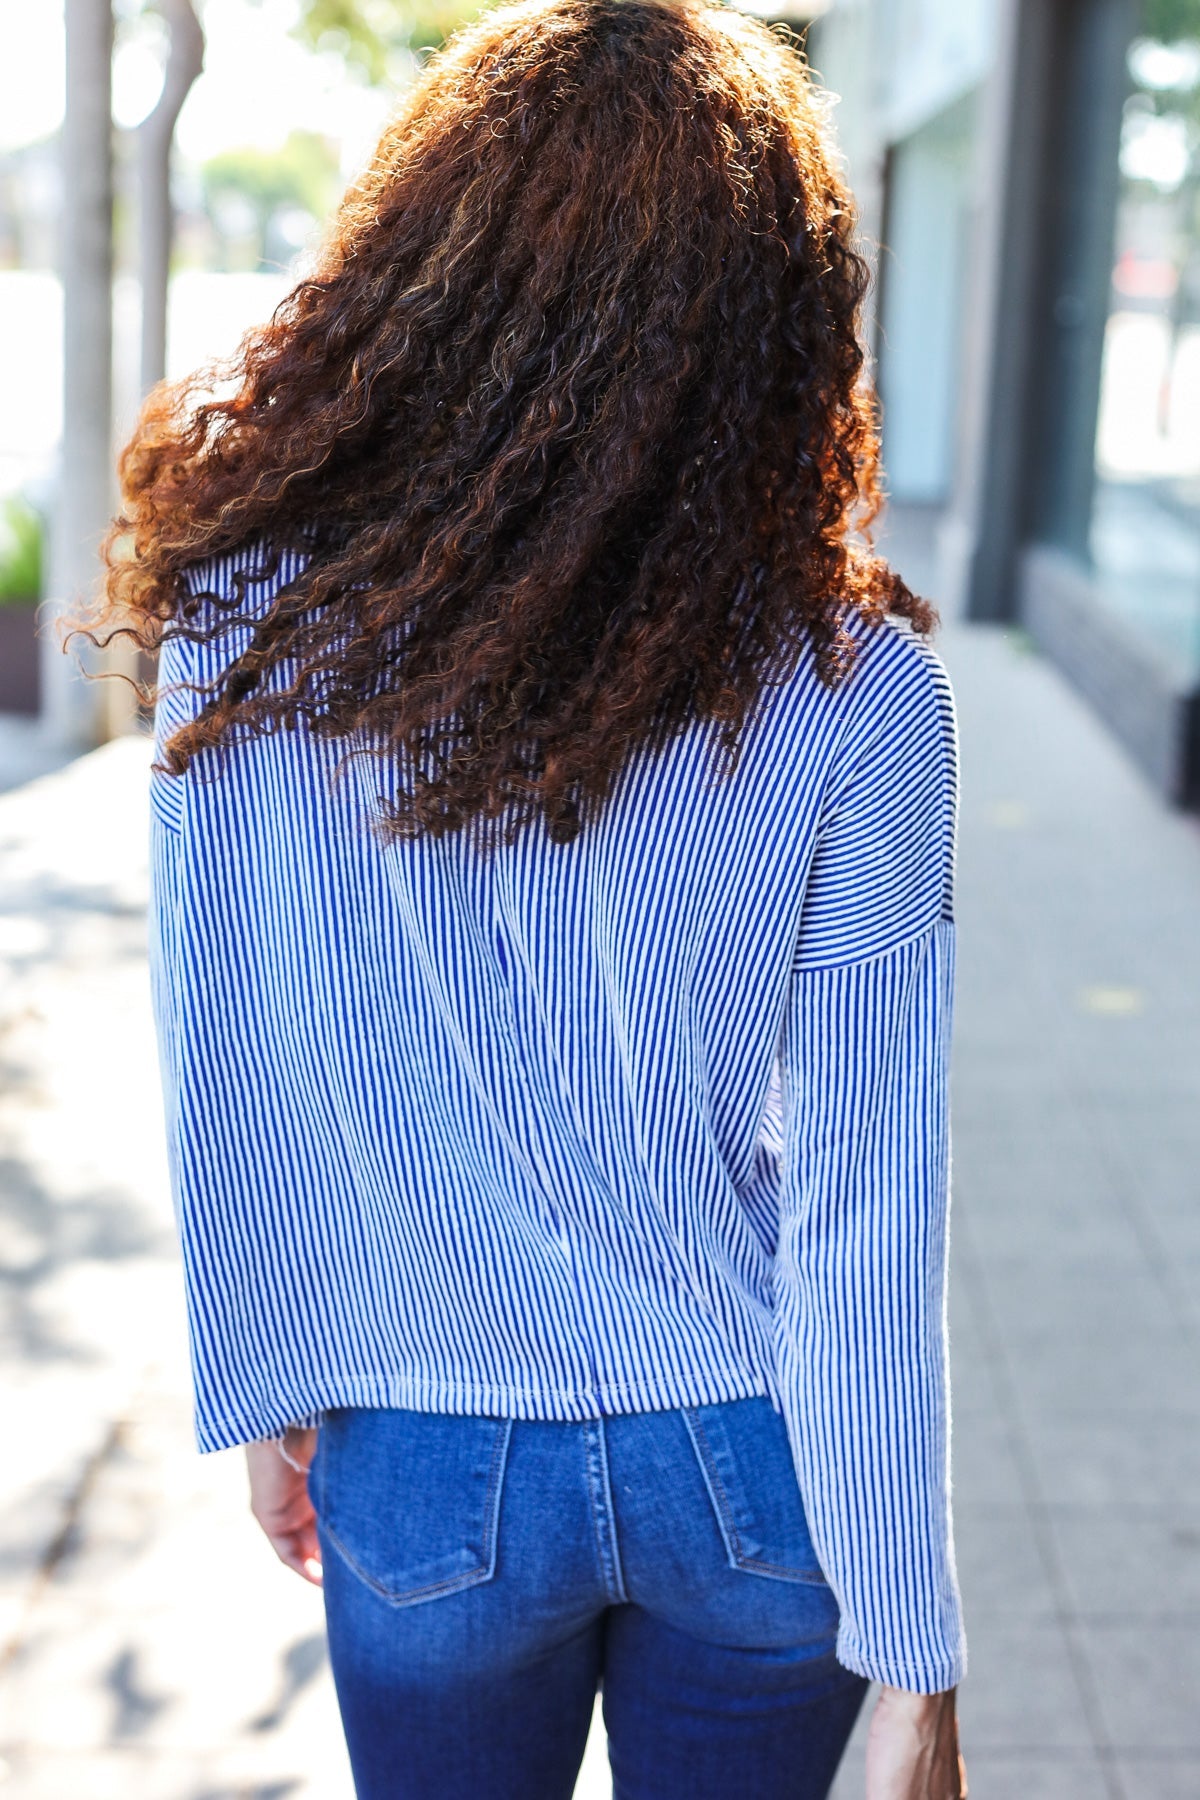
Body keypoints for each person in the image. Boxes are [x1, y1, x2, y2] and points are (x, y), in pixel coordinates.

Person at [89, 2, 970, 1794]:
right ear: (771, 321)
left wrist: (267, 1380)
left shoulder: (253, 622)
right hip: (755, 1462)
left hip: (422, 1443)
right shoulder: (858, 683)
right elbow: (875, 1197)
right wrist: (915, 1646)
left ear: (424, 258)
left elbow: (233, 1036)